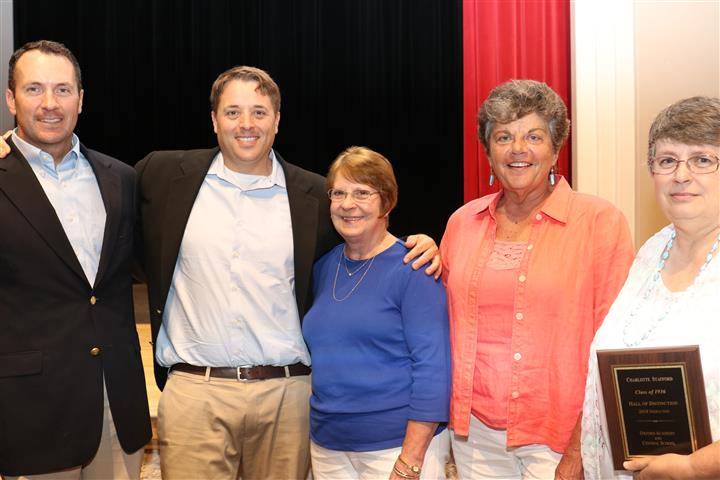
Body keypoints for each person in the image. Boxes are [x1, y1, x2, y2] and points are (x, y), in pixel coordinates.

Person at [133, 66, 440, 479]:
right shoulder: (164, 175)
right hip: (195, 392)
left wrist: (420, 243)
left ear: (277, 121)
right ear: (213, 120)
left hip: (287, 398)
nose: (246, 125)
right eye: (233, 112)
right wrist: (23, 152)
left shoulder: (314, 196)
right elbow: (103, 195)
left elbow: (365, 239)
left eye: (259, 112)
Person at [439, 79, 635, 479]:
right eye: (503, 137)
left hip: (559, 438)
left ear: (556, 148)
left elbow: (617, 345)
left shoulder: (600, 222)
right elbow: (439, 322)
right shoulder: (462, 224)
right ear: (488, 152)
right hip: (474, 436)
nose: (518, 150)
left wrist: (580, 447)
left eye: (534, 136)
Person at [0, 41, 151, 478]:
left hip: (116, 405)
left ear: (81, 100)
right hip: (30, 412)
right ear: (11, 99)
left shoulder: (120, 178)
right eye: (34, 89)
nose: (50, 104)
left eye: (63, 90)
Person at [580, 96, 720, 479]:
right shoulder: (652, 250)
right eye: (667, 160)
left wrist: (694, 467)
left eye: (703, 159)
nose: (681, 174)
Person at [302, 146, 451, 480]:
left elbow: (433, 369)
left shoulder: (414, 267)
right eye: (338, 192)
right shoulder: (324, 267)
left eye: (362, 193)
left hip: (394, 449)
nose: (347, 204)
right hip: (328, 446)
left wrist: (410, 459)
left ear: (387, 201)